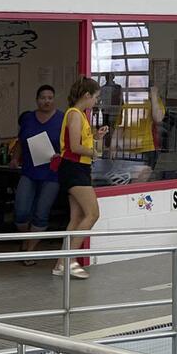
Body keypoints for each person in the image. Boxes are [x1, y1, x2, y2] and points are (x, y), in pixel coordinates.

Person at [55, 76, 101, 278]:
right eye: (96, 97)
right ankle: (70, 260)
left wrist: (95, 137)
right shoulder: (74, 114)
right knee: (93, 214)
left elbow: (80, 140)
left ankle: (60, 263)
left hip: (79, 168)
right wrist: (94, 152)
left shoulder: (81, 115)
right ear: (87, 95)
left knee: (77, 217)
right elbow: (74, 146)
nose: (96, 102)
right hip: (74, 169)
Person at [12, 85, 63, 263]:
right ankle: (26, 240)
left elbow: (69, 145)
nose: (46, 101)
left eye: (50, 98)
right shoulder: (28, 118)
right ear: (37, 100)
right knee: (21, 211)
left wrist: (61, 156)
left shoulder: (62, 119)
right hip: (29, 171)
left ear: (54, 99)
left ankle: (30, 251)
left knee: (41, 212)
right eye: (43, 97)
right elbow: (20, 141)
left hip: (52, 173)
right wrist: (15, 158)